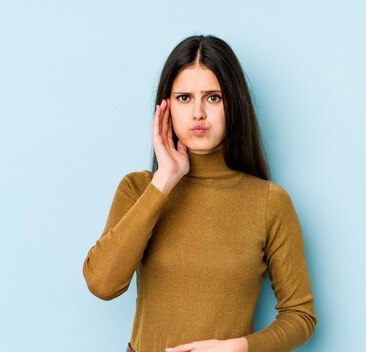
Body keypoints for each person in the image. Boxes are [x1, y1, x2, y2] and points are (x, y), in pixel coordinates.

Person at [81, 34, 317, 352]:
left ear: (234, 103)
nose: (198, 114)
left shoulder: (268, 203)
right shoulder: (139, 189)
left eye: (213, 97)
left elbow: (300, 316)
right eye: (184, 98)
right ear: (165, 108)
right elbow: (102, 283)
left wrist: (239, 347)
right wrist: (164, 181)